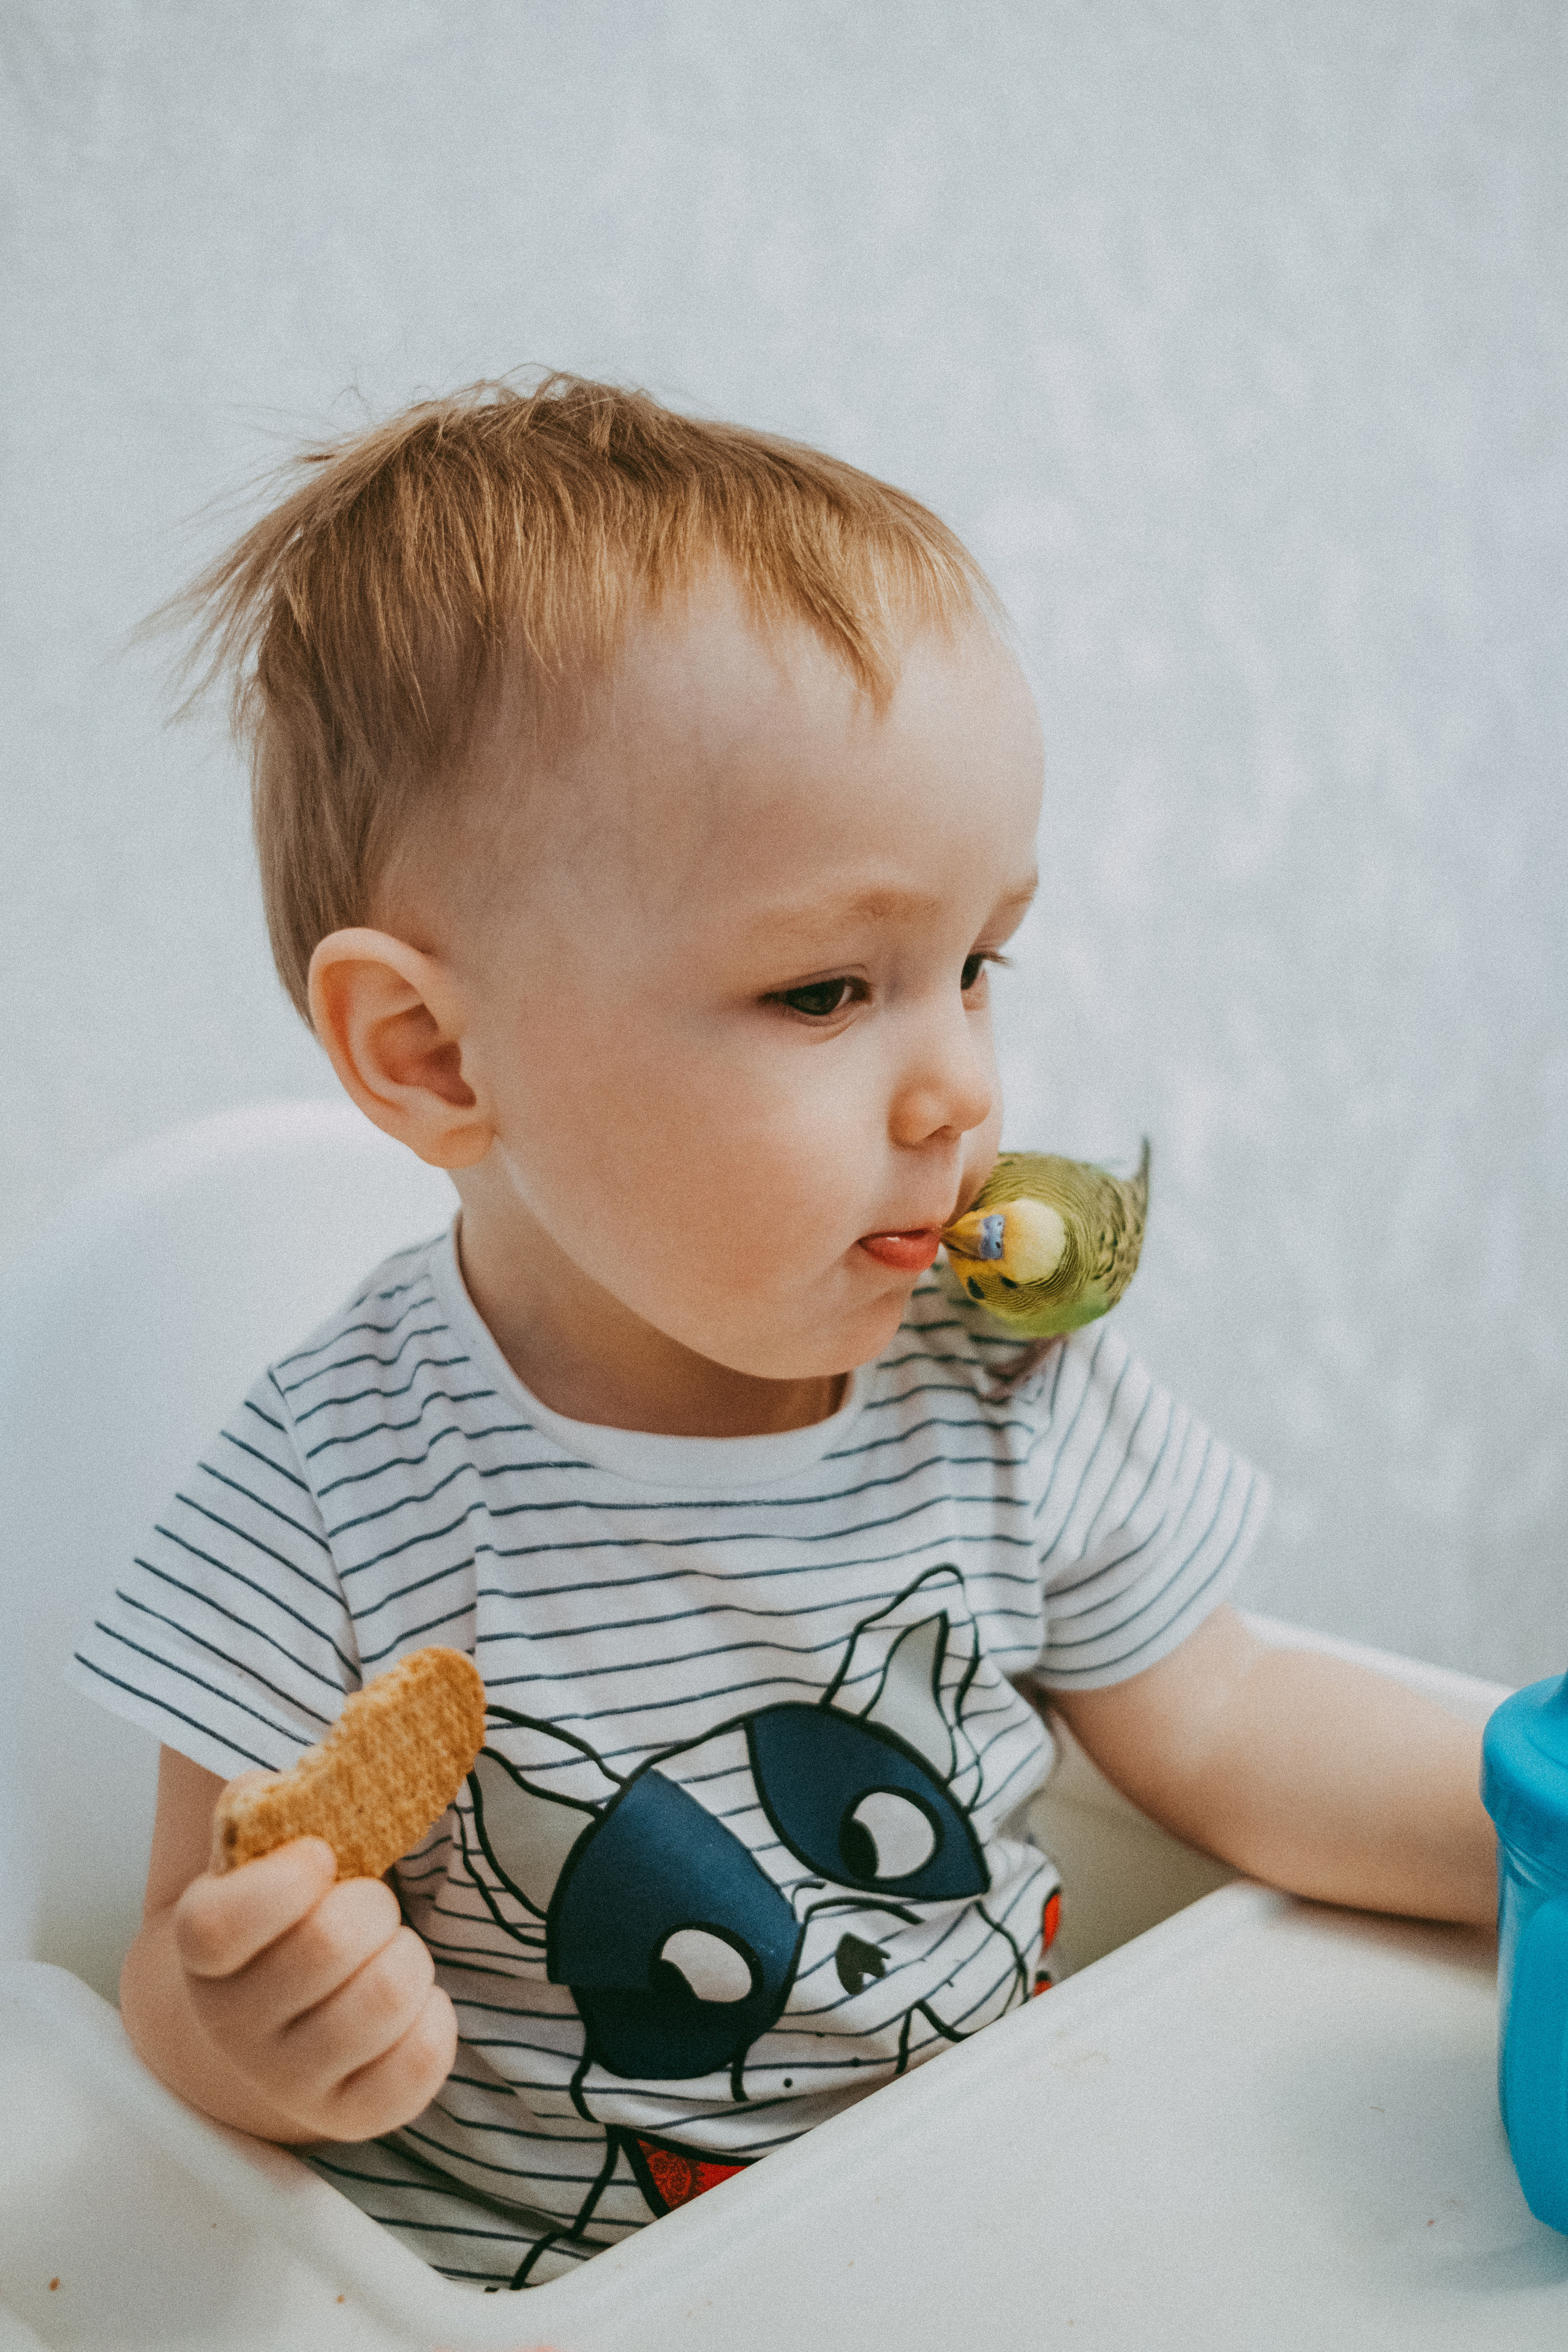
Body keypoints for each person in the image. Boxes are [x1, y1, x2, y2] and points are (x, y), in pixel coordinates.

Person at [72, 376, 1496, 2292]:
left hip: (1004, 2211)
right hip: (578, 2287)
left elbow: (1231, 1727)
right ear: (433, 1056)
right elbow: (171, 1974)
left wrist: (1537, 1827)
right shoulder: (338, 1489)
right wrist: (252, 2037)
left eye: (977, 966)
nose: (961, 1089)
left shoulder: (995, 1374)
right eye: (830, 990)